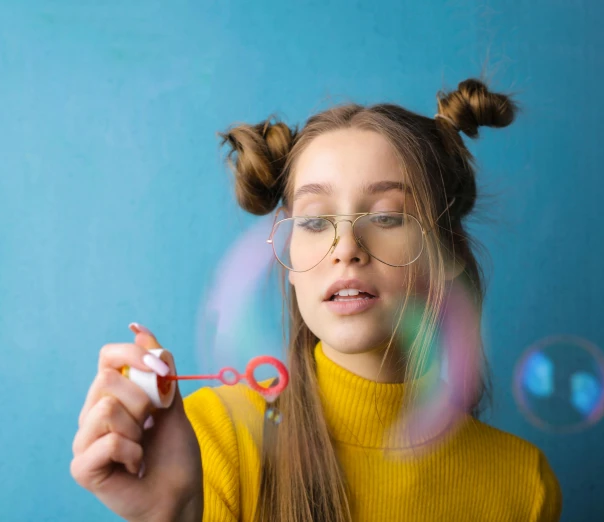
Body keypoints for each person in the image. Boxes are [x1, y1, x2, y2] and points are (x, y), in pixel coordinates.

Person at [70, 78, 563, 522]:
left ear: (448, 251)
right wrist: (169, 515)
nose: (345, 247)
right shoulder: (210, 439)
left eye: (388, 217)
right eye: (313, 221)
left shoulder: (523, 483)